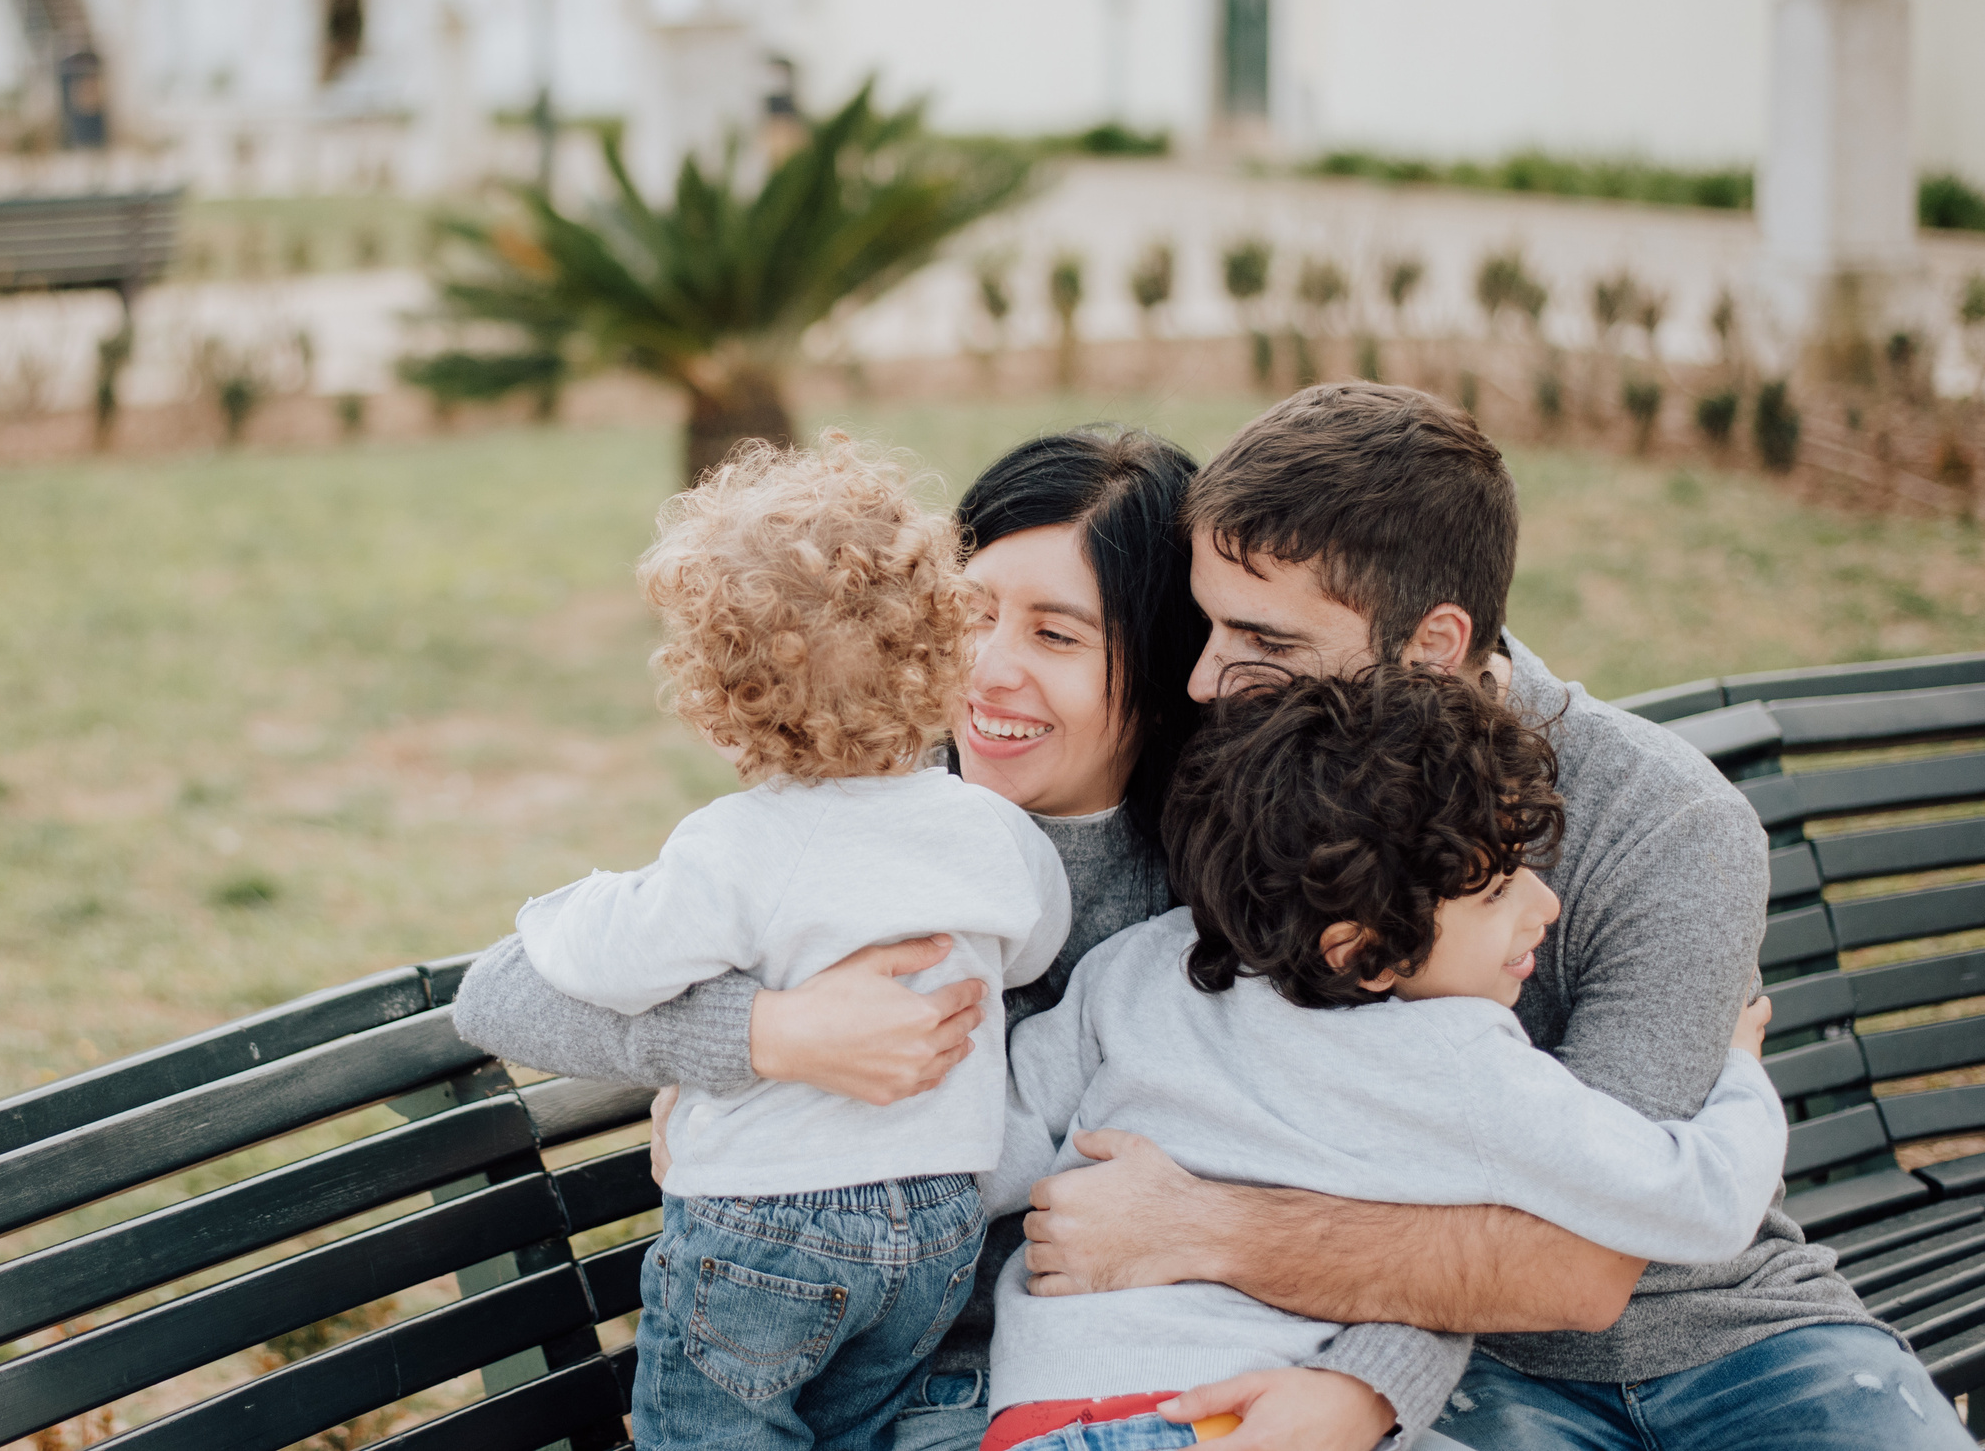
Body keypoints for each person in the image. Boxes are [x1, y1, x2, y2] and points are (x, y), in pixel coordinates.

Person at [455, 425, 1472, 1448]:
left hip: (1159, 1379)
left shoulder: (1238, 877)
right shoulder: (861, 810)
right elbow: (506, 991)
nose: (987, 668)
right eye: (969, 613)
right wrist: (770, 1035)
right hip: (910, 1387)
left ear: (1160, 666)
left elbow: (1416, 1154)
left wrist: (1364, 1388)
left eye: (1057, 635)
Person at [1014, 382, 1960, 1451]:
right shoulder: (1252, 778)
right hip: (1441, 1359)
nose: (1204, 678)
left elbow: (1588, 1253)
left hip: (1731, 1329)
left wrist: (1206, 1226)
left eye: (1262, 638)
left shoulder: (1667, 822)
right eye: (1209, 625)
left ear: (1431, 644)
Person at [978, 666, 1788, 1451]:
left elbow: (985, 1155)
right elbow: (1697, 1200)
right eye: (1498, 890)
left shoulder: (1142, 966)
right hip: (1241, 1420)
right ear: (1361, 952)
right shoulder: (1458, 1058)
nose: (1545, 905)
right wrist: (1741, 1075)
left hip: (1039, 1413)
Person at [501, 435, 1074, 1449]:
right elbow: (1032, 948)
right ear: (946, 655)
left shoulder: (734, 847)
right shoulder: (988, 829)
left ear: (719, 701)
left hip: (766, 1223)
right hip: (937, 1221)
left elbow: (613, 959)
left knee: (708, 1430)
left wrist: (562, 908)